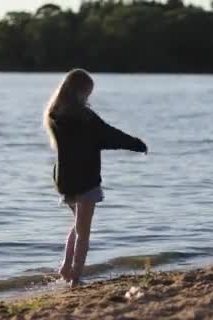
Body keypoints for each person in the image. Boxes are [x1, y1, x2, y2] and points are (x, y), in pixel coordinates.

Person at [43, 69, 148, 287]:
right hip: (86, 179)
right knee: (84, 233)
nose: (88, 98)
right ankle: (75, 278)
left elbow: (99, 137)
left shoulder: (54, 115)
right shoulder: (84, 117)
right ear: (80, 91)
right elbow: (109, 135)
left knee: (77, 224)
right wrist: (136, 144)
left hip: (65, 179)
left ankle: (65, 266)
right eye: (87, 93)